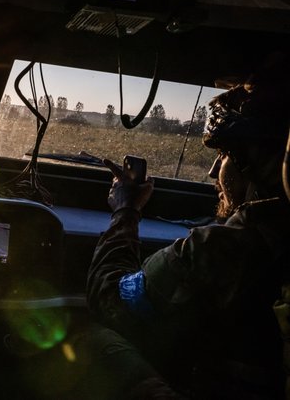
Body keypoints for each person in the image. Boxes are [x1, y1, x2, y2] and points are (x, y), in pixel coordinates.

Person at [86, 54, 290, 399]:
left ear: (262, 163)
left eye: (224, 155)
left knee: (89, 337)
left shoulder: (226, 247)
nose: (213, 172)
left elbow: (111, 300)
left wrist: (125, 210)